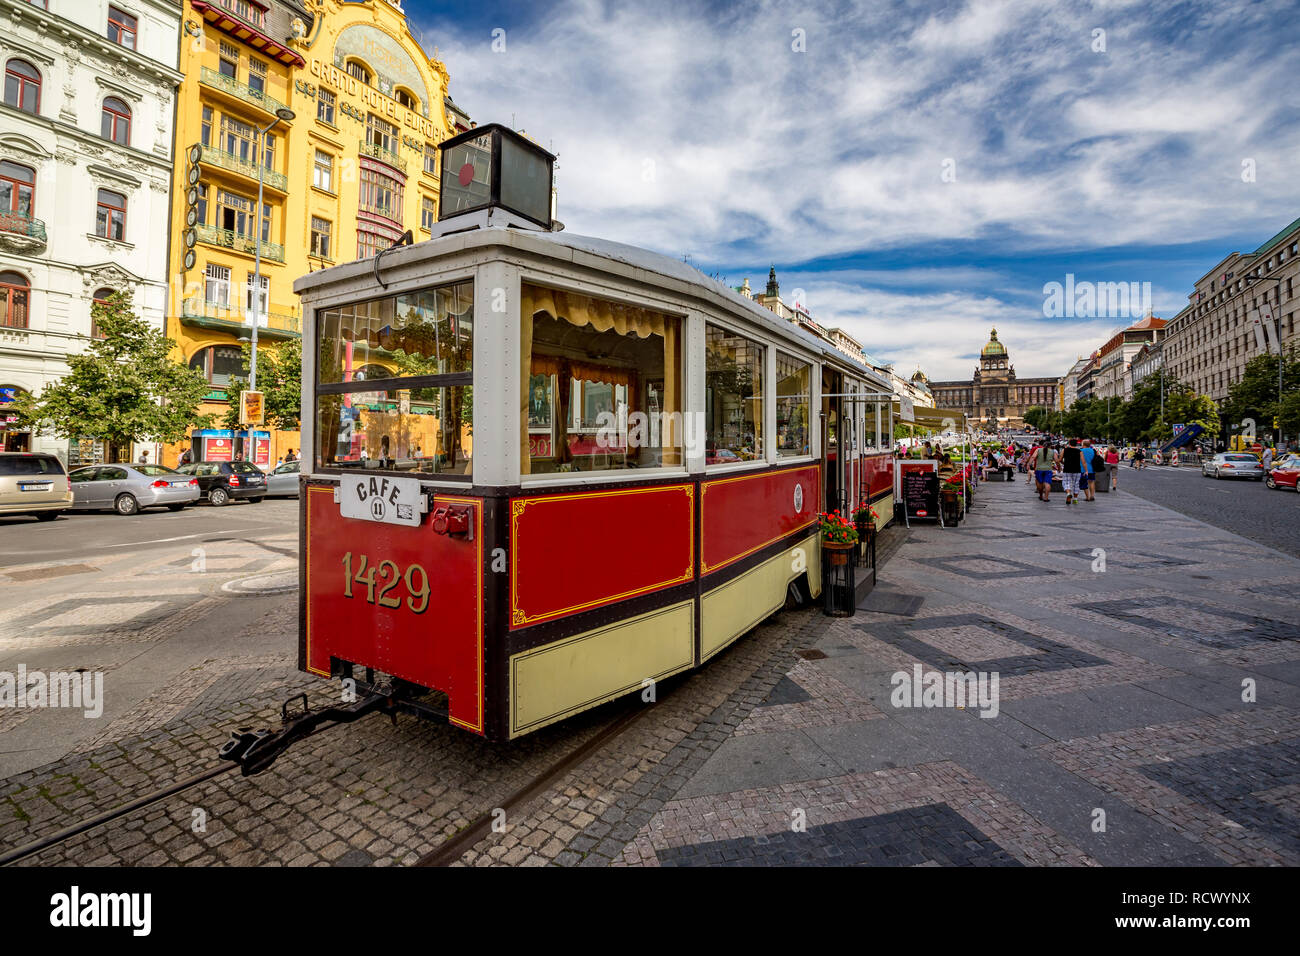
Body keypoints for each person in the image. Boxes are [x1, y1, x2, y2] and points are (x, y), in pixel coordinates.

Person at [1061, 438, 1084, 505]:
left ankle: (1068, 493)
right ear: (1076, 444)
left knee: (1066, 482)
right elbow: (1083, 462)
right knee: (1076, 484)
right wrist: (1086, 470)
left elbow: (1060, 459)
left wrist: (1063, 463)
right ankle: (1075, 499)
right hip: (1077, 469)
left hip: (1067, 469)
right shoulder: (1079, 451)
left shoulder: (1064, 450)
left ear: (1069, 443)